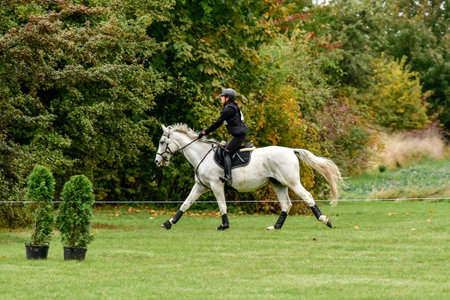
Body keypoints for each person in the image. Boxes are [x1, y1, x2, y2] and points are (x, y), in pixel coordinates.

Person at [198, 88, 248, 184]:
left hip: (239, 136)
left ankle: (228, 177)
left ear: (227, 98)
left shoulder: (229, 109)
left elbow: (217, 123)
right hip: (238, 135)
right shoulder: (233, 107)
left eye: (222, 97)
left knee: (226, 153)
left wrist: (204, 132)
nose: (221, 98)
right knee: (224, 150)